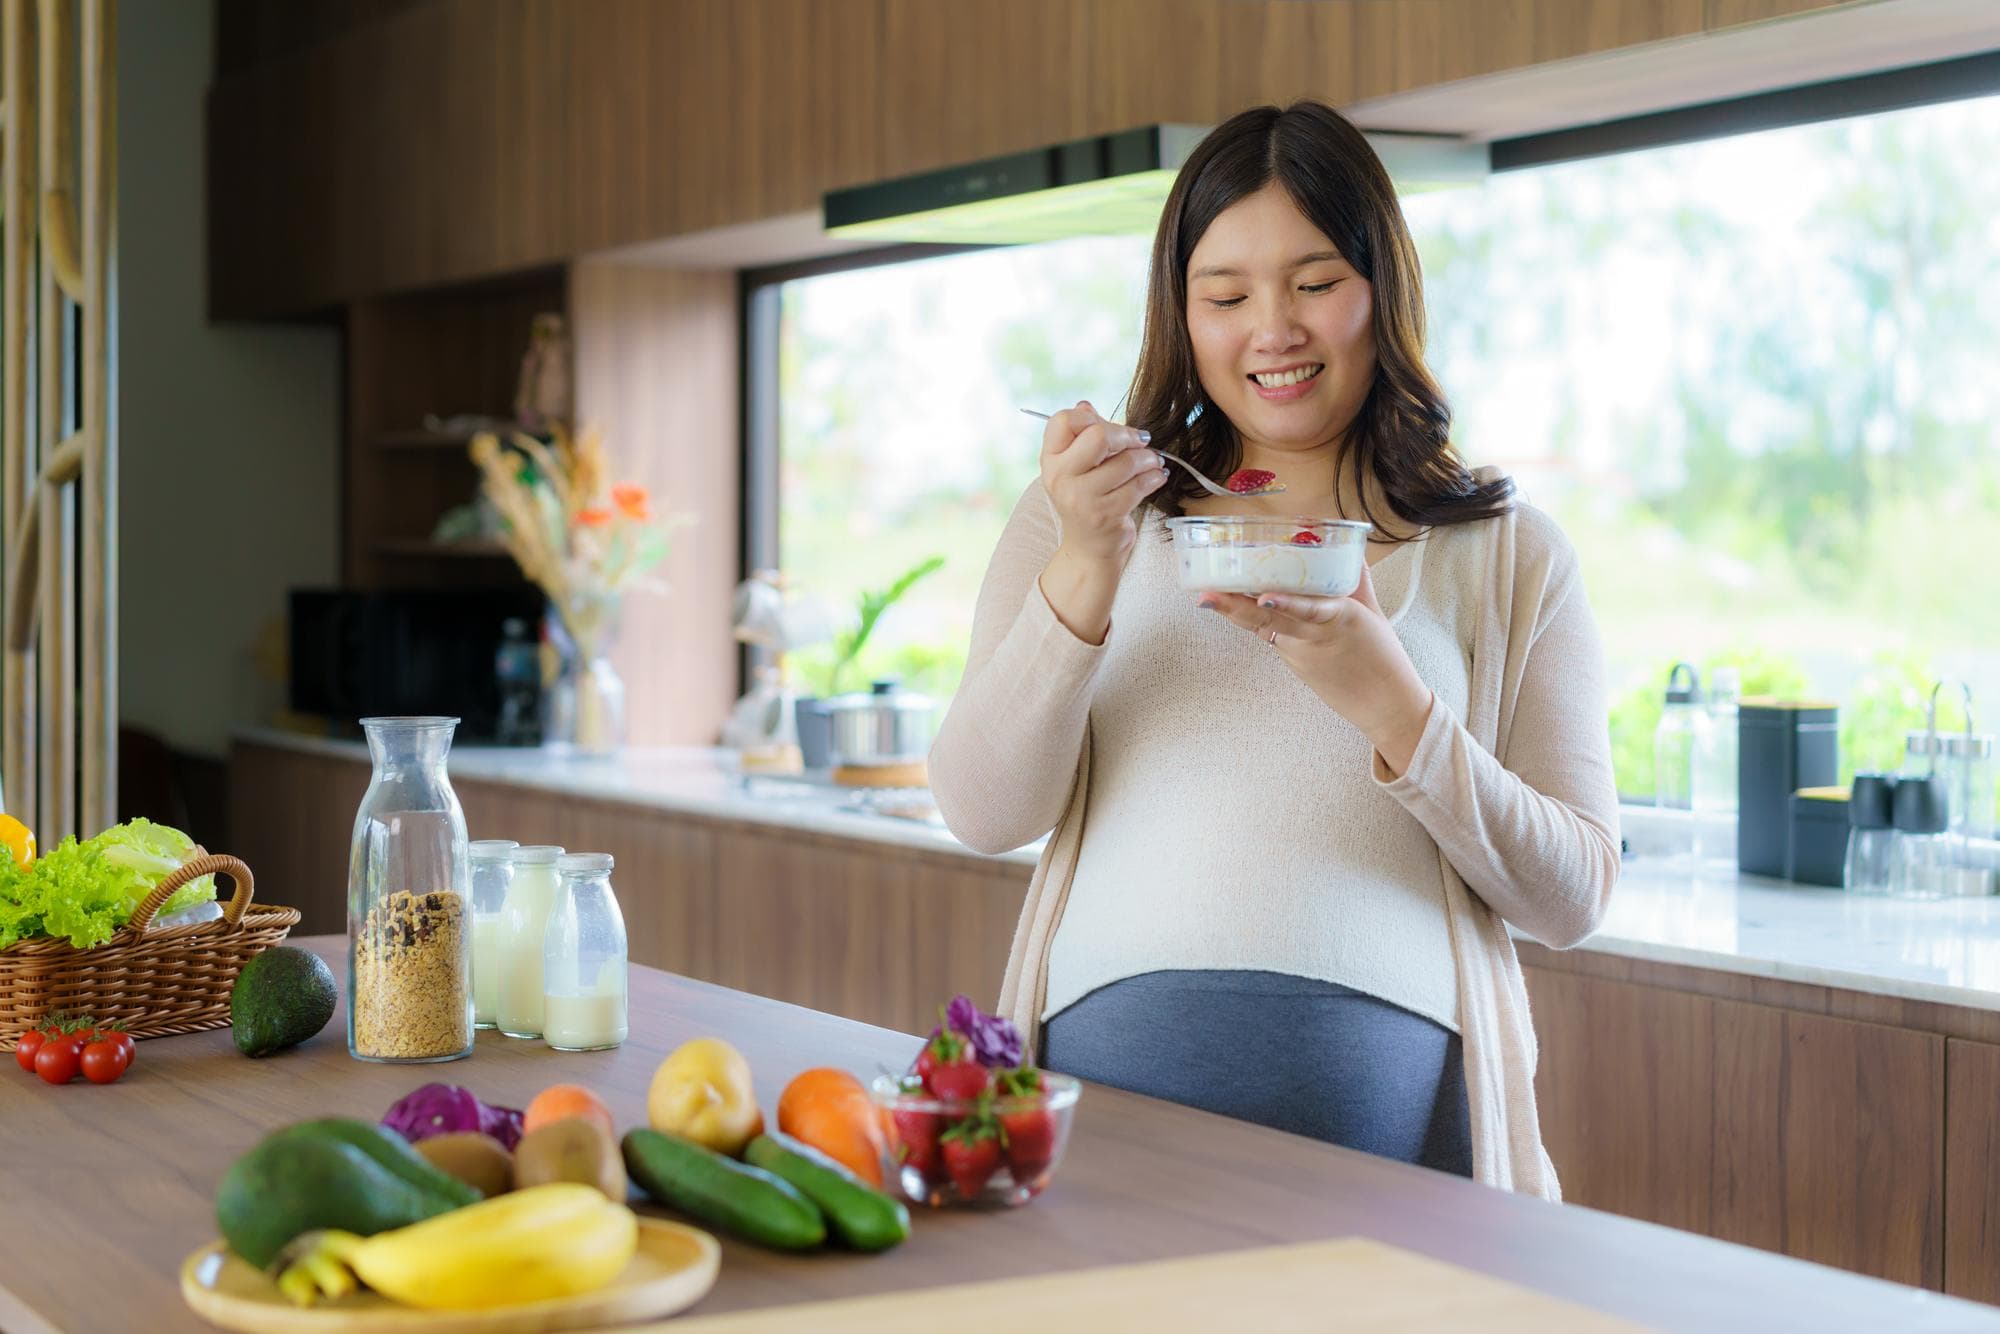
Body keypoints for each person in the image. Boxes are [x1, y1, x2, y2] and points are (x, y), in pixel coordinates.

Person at [928, 101, 1620, 1197]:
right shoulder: (1082, 520)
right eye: (1225, 294)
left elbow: (1571, 894)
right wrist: (1086, 567)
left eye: (1313, 282)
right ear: (1180, 313)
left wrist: (1395, 705)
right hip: (1111, 1160)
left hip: (1398, 1178)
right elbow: (982, 808)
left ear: (1379, 291)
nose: (1272, 329)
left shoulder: (1501, 555)